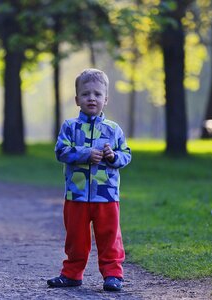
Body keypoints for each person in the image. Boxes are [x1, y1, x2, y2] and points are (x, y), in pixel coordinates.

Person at [47, 68, 132, 292]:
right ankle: (72, 273)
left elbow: (126, 154)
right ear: (77, 99)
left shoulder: (113, 130)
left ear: (106, 99)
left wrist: (113, 157)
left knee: (109, 236)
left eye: (97, 94)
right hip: (76, 194)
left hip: (106, 195)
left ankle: (113, 274)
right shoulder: (70, 127)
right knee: (76, 237)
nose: (91, 98)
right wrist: (85, 154)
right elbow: (60, 152)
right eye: (85, 94)